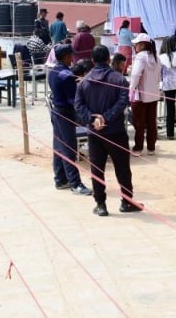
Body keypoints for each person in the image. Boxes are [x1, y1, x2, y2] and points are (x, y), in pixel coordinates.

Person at [75, 45, 140, 216]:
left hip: (94, 132)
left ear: (93, 60)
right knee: (122, 168)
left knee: (97, 169)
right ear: (108, 59)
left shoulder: (84, 82)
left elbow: (79, 106)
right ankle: (127, 201)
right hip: (115, 131)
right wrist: (107, 117)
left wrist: (93, 118)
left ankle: (101, 204)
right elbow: (123, 102)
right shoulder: (119, 79)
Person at [48, 44, 92, 196]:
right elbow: (73, 100)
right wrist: (87, 115)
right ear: (66, 56)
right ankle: (75, 183)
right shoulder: (66, 75)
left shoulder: (53, 70)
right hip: (65, 113)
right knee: (69, 148)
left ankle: (61, 179)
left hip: (56, 111)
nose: (72, 58)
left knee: (59, 146)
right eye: (70, 55)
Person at [129, 33, 161, 154]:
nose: (135, 46)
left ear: (142, 45)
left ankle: (138, 147)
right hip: (153, 93)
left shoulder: (140, 57)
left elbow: (136, 74)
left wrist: (131, 89)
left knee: (139, 123)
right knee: (151, 122)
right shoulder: (156, 57)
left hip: (140, 95)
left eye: (136, 44)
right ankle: (151, 147)